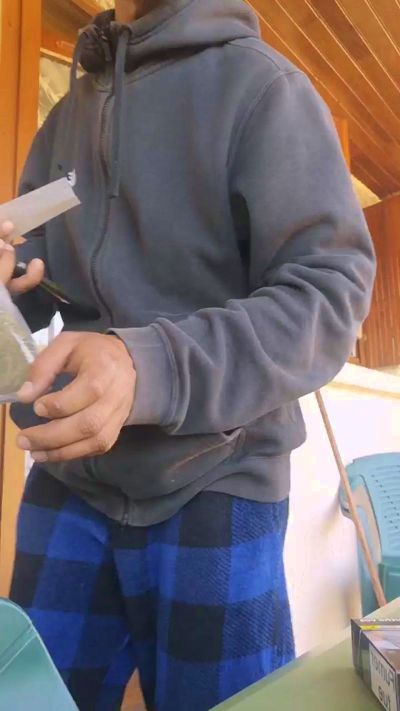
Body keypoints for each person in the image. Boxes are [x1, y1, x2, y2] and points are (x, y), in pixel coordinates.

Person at [1, 1, 375, 709]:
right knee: (27, 698)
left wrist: (147, 366)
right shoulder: (65, 116)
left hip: (217, 480)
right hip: (69, 481)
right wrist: (14, 286)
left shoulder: (265, 88)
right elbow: (41, 291)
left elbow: (329, 295)